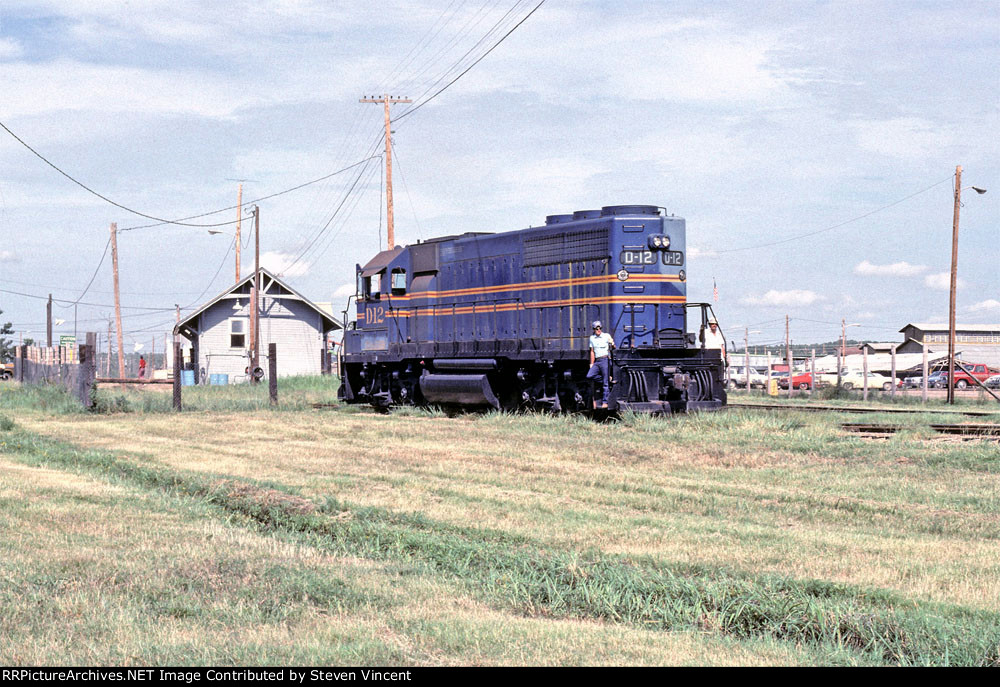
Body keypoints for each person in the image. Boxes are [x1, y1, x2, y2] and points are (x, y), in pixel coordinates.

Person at [586, 321, 615, 408]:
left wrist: (612, 344)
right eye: (596, 328)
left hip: (605, 359)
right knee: (589, 375)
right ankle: (606, 379)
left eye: (599, 328)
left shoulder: (607, 336)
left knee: (605, 384)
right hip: (597, 361)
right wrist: (591, 363)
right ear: (594, 329)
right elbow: (592, 351)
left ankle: (605, 402)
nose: (598, 330)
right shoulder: (592, 338)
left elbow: (614, 347)